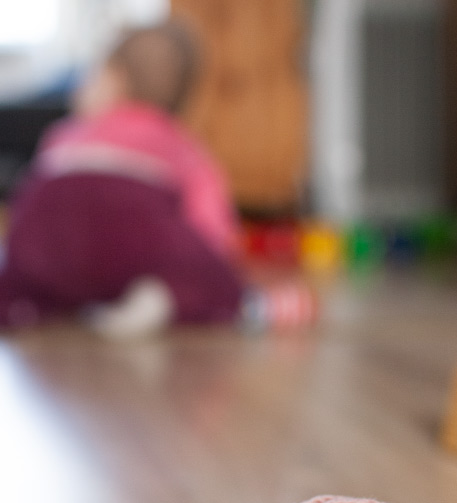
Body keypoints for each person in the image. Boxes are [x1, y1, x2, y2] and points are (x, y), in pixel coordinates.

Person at [0, 20, 316, 336]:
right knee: (209, 279)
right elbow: (211, 224)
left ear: (116, 82)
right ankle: (166, 297)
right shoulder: (178, 142)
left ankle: (24, 301)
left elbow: (34, 189)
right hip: (133, 226)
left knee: (22, 274)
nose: (80, 87)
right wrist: (207, 264)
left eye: (91, 77)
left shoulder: (66, 132)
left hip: (46, 229)